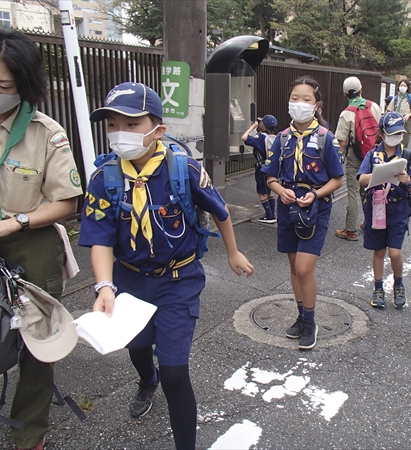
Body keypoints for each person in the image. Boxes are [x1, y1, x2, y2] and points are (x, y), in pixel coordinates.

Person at [78, 82, 254, 448]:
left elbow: (219, 210)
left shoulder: (181, 168)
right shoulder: (104, 178)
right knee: (137, 349)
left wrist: (233, 252)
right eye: (112, 124)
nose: (120, 133)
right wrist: (104, 286)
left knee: (175, 373)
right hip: (130, 281)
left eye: (131, 124)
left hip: (179, 280)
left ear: (158, 130)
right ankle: (146, 380)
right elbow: (99, 239)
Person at [0, 28, 83, 450]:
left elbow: (66, 204)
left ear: (24, 83)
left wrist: (13, 223)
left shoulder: (45, 131)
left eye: (3, 85)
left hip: (30, 242)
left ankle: (30, 434)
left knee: (40, 343)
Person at [261, 75, 344, 350]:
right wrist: (278, 190)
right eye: (295, 98)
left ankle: (310, 321)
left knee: (303, 267)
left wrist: (316, 194)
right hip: (287, 208)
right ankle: (301, 316)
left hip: (315, 209)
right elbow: (270, 177)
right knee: (293, 267)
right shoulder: (281, 139)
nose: (299, 104)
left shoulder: (325, 139)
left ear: (317, 105)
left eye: (306, 99)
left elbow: (337, 179)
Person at [357, 112, 411, 310]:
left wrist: (407, 180)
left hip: (398, 208)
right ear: (382, 133)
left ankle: (399, 285)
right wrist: (379, 173)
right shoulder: (372, 154)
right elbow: (361, 179)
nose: (396, 137)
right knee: (379, 250)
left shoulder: (408, 156)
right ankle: (378, 288)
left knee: (394, 252)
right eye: (392, 133)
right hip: (376, 207)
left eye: (399, 133)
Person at [334, 76, 382, 241]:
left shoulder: (346, 113)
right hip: (373, 154)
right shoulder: (374, 106)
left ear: (345, 94)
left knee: (353, 191)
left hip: (355, 155)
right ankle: (371, 222)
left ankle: (350, 230)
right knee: (369, 190)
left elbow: (342, 142)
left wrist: (340, 158)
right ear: (361, 90)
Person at [241, 115, 278, 224]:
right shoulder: (274, 137)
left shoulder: (261, 138)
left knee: (262, 192)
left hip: (261, 169)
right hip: (270, 167)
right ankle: (272, 214)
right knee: (269, 191)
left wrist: (253, 126)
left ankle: (269, 216)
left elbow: (244, 137)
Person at [387, 79, 411, 148]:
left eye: (404, 86)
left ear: (407, 88)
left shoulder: (410, 98)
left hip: (406, 122)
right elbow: (390, 110)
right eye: (401, 85)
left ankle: (402, 154)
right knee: (395, 140)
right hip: (396, 121)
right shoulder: (395, 98)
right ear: (398, 87)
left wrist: (408, 115)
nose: (403, 87)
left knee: (404, 142)